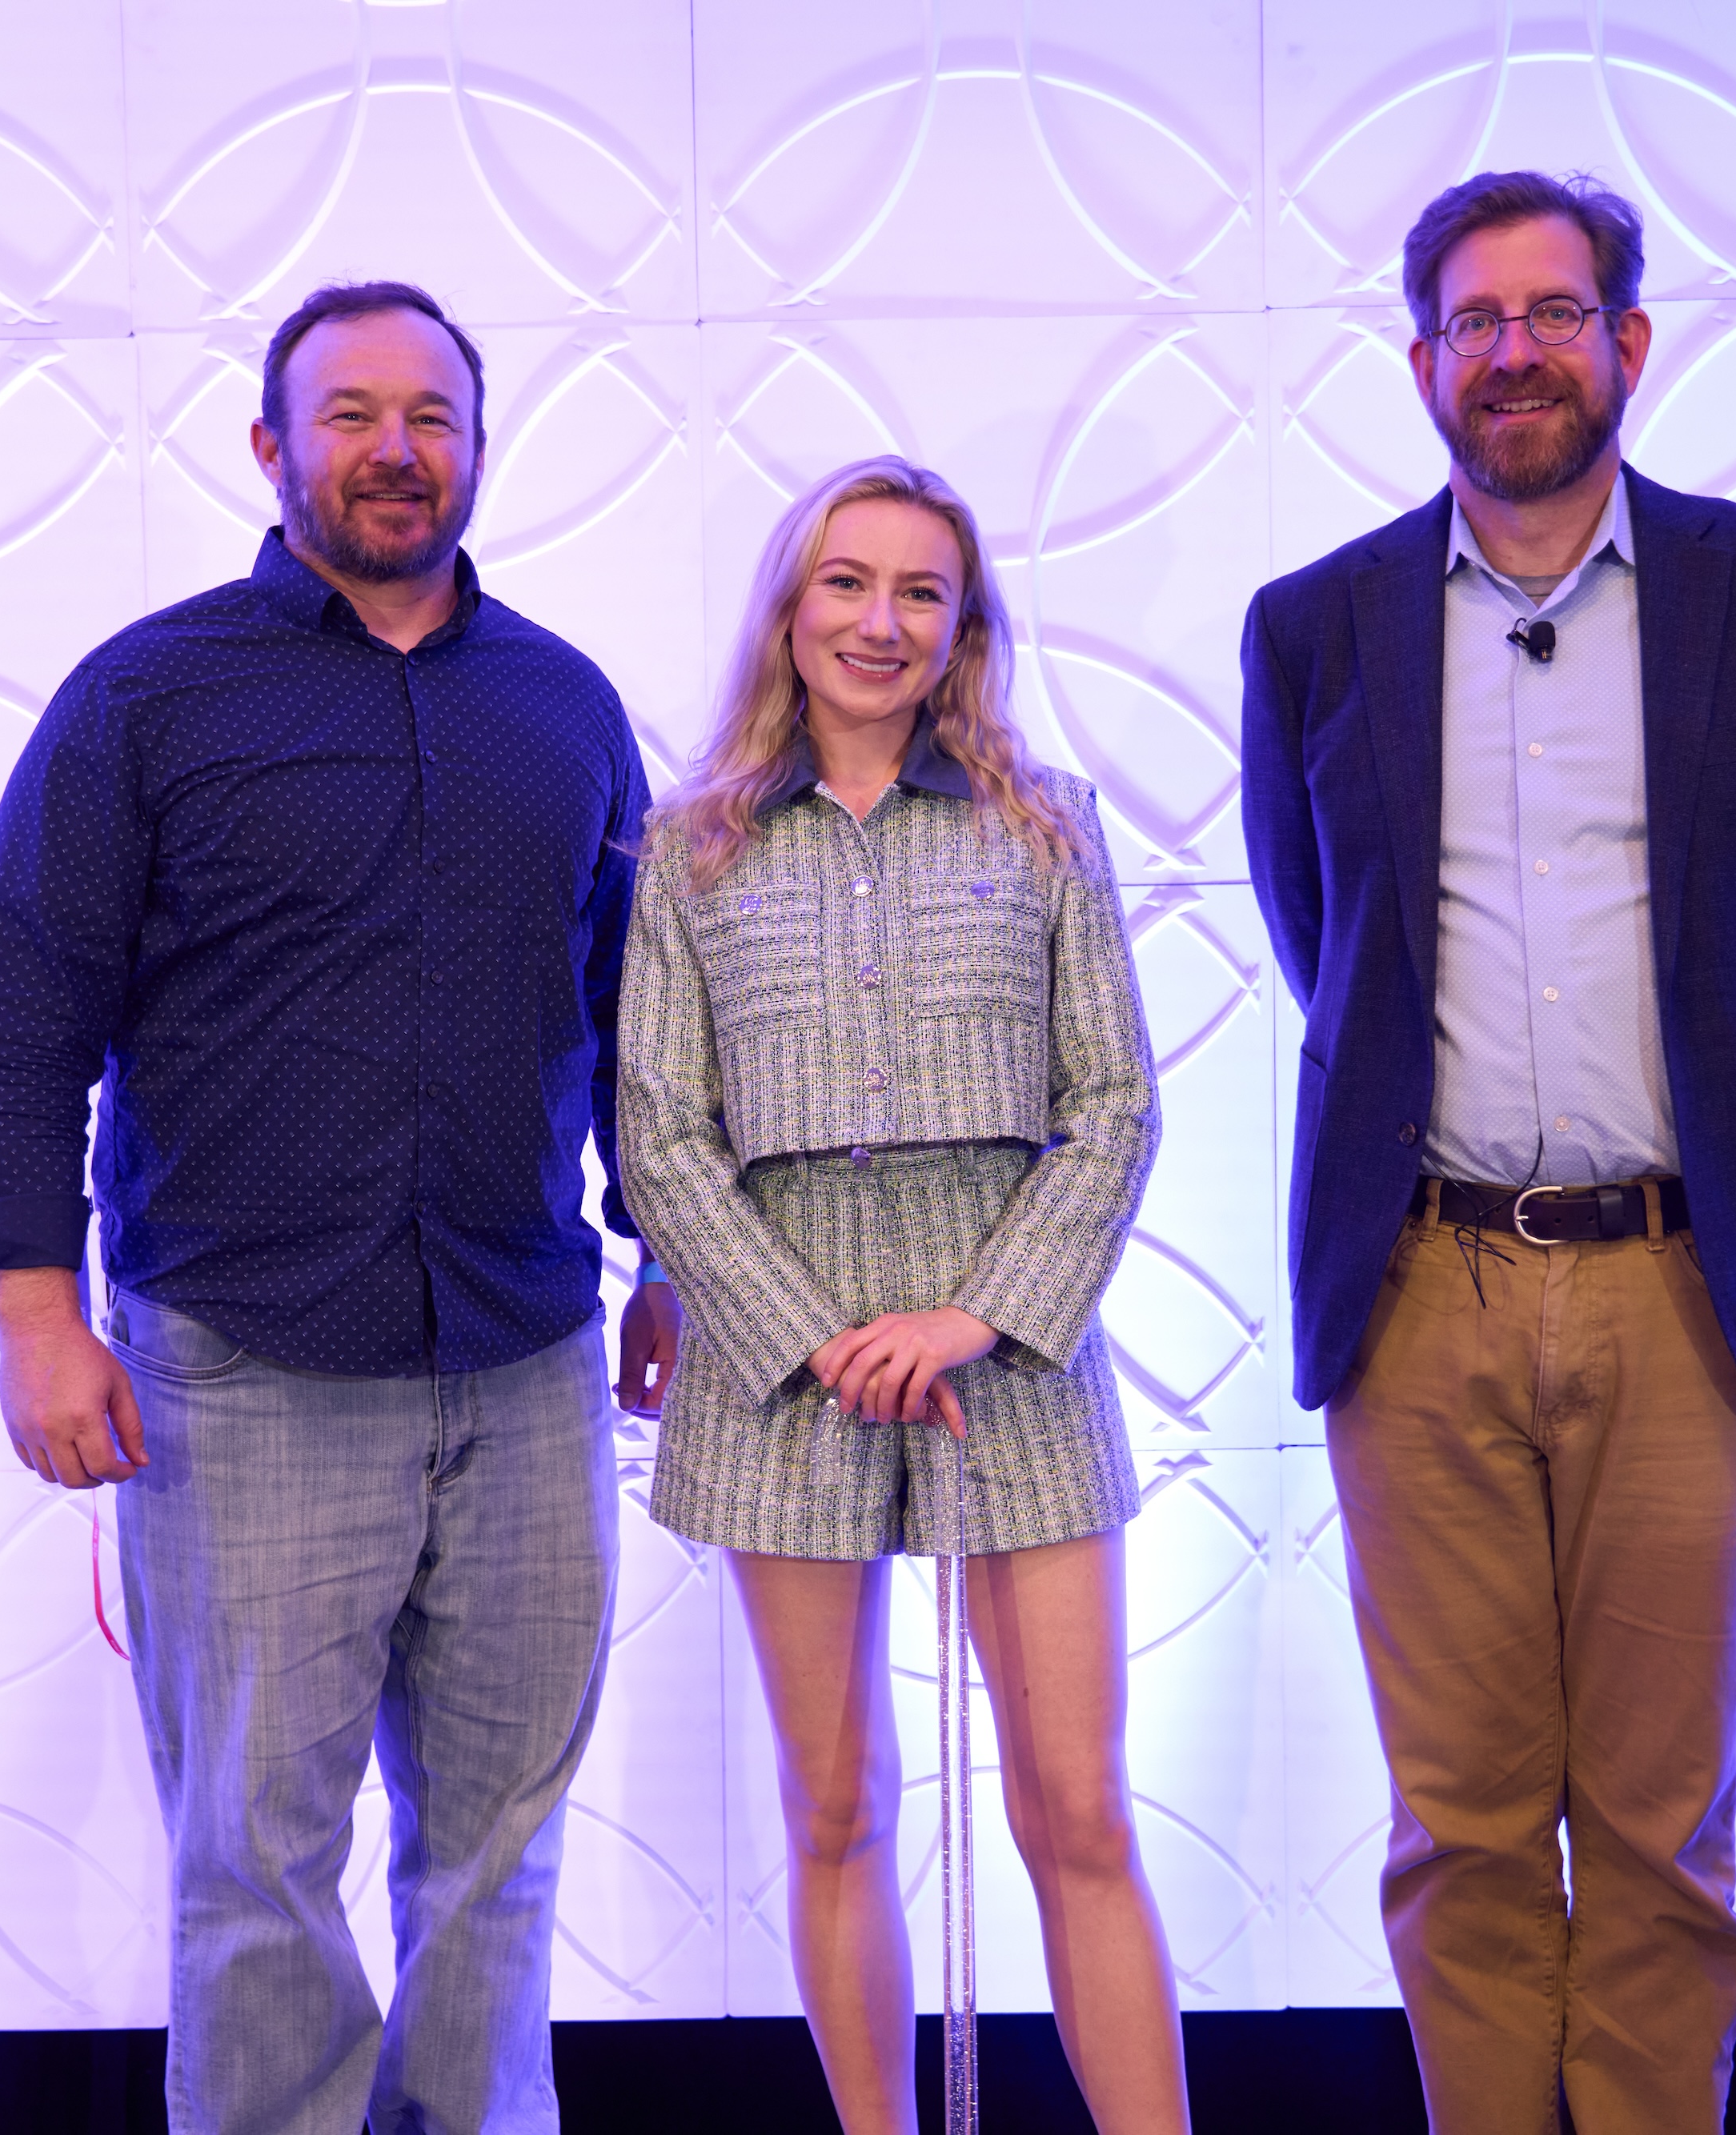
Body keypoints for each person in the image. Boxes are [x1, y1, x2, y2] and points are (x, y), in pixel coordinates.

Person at [0, 279, 675, 2135]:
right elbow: (25, 1010)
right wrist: (39, 1313)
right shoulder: (147, 699)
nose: (393, 448)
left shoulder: (563, 708)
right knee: (256, 1867)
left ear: (477, 449)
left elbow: (634, 1017)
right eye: (347, 413)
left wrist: (659, 1250)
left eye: (430, 414)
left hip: (523, 1355)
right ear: (270, 450)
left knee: (498, 1855)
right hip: (245, 1363)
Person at [1239, 172, 1736, 2132]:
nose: (1511, 350)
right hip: (1417, 1288)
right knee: (1453, 1827)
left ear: (1627, 340)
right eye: (1472, 318)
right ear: (1420, 357)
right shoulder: (1314, 627)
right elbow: (1324, 945)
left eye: (1553, 311)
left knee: (1653, 1825)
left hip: (1684, 1282)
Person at [615, 456, 1191, 2133]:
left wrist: (977, 1313)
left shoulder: (1044, 824)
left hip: (1010, 1348)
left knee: (1077, 1804)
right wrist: (806, 1334)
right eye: (845, 582)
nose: (880, 620)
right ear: (788, 612)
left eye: (920, 591)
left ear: (961, 628)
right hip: (772, 1364)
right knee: (834, 1803)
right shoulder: (690, 848)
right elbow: (655, 1129)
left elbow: (1117, 1103)